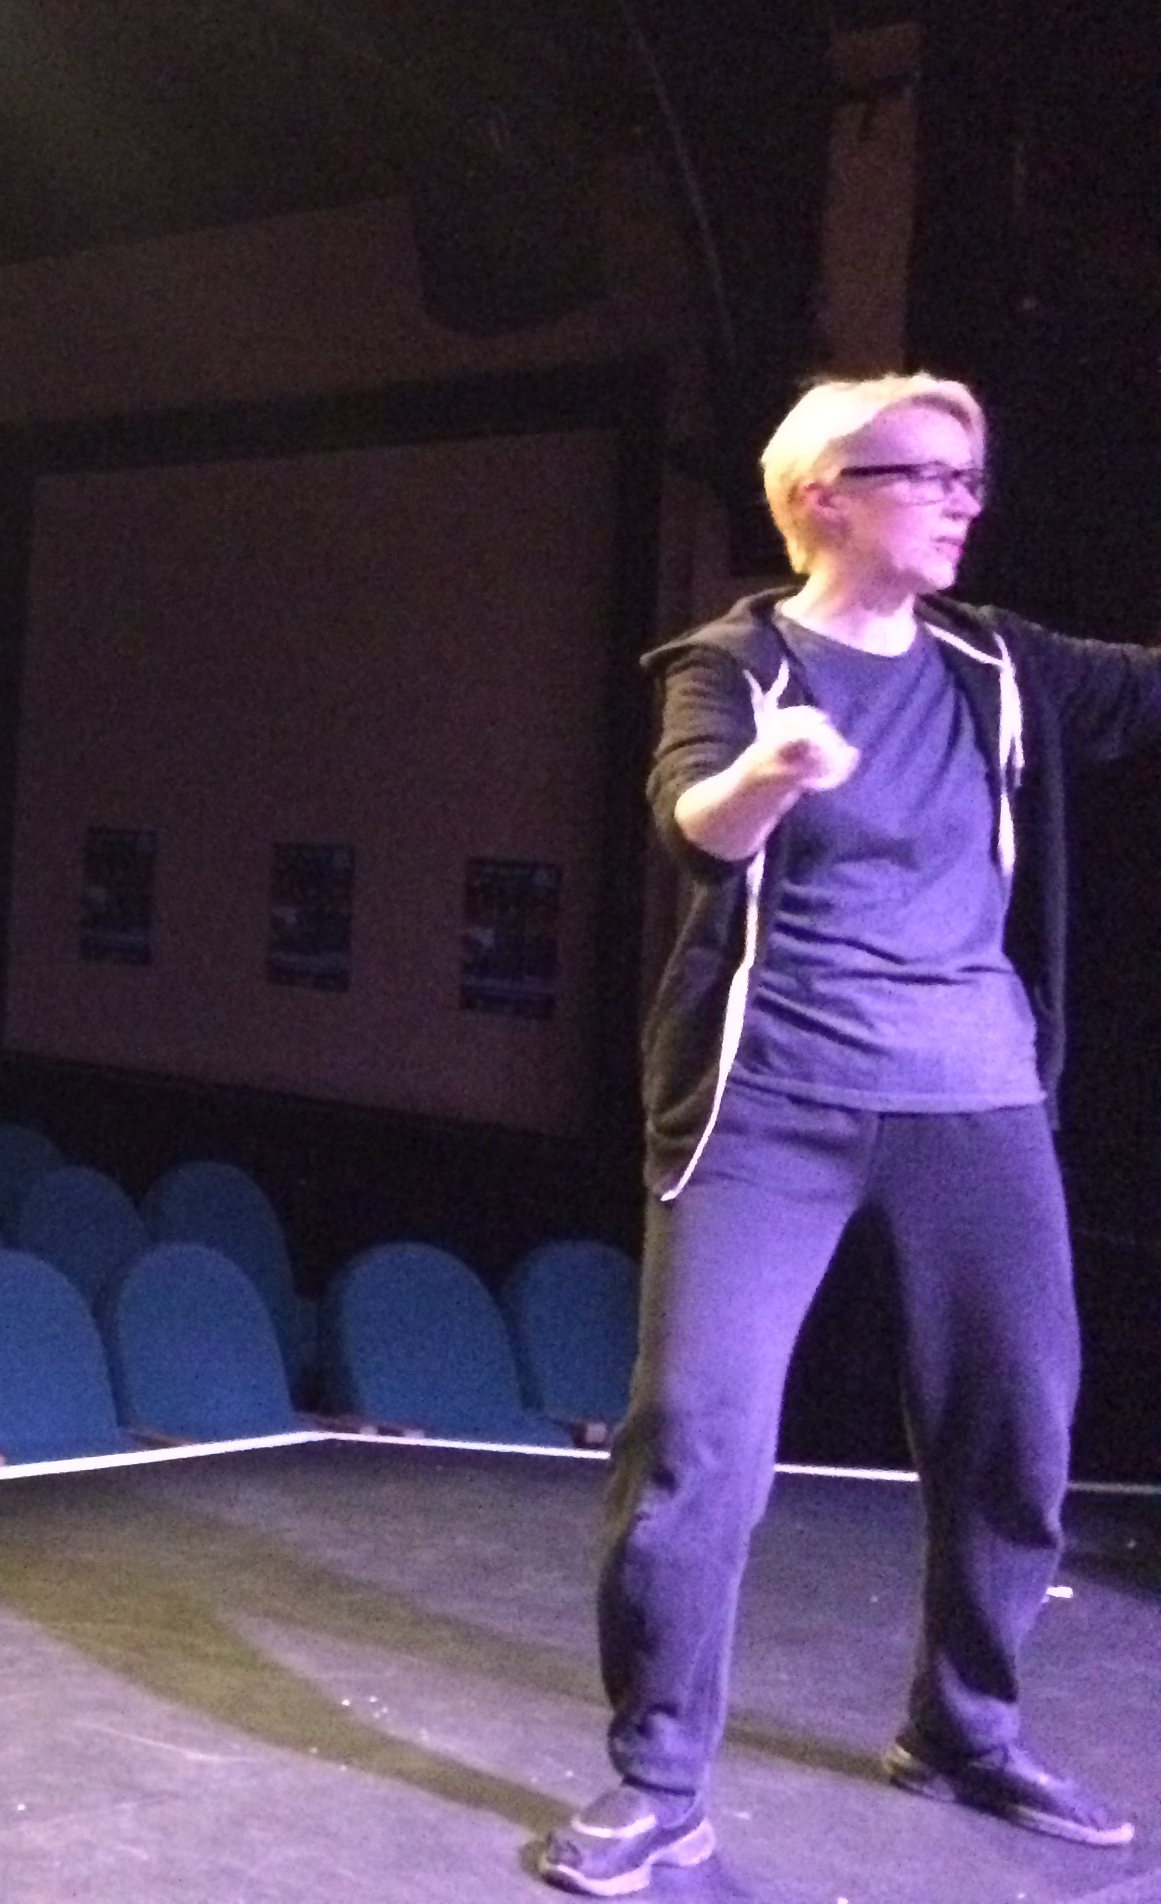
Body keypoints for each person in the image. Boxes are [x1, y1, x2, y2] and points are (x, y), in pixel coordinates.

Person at [540, 374, 1153, 1895]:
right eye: (930, 475)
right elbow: (696, 821)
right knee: (697, 1440)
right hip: (770, 1106)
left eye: (971, 479)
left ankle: (963, 1729)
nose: (964, 500)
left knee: (1017, 1425)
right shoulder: (730, 666)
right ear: (824, 494)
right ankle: (659, 1786)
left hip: (977, 1100)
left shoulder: (997, 664)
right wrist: (774, 770)